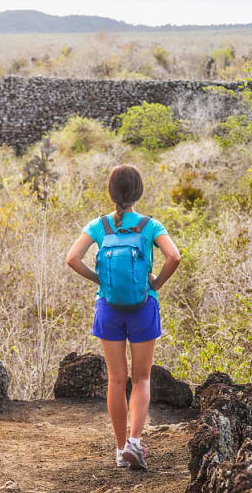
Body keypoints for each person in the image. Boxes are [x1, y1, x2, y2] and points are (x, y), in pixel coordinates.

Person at [65, 164, 181, 470]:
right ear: (139, 192)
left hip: (108, 308)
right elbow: (174, 256)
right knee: (141, 378)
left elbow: (71, 258)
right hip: (143, 307)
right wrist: (155, 284)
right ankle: (134, 443)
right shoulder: (150, 226)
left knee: (116, 380)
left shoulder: (99, 226)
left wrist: (99, 281)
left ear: (111, 193)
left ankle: (119, 451)